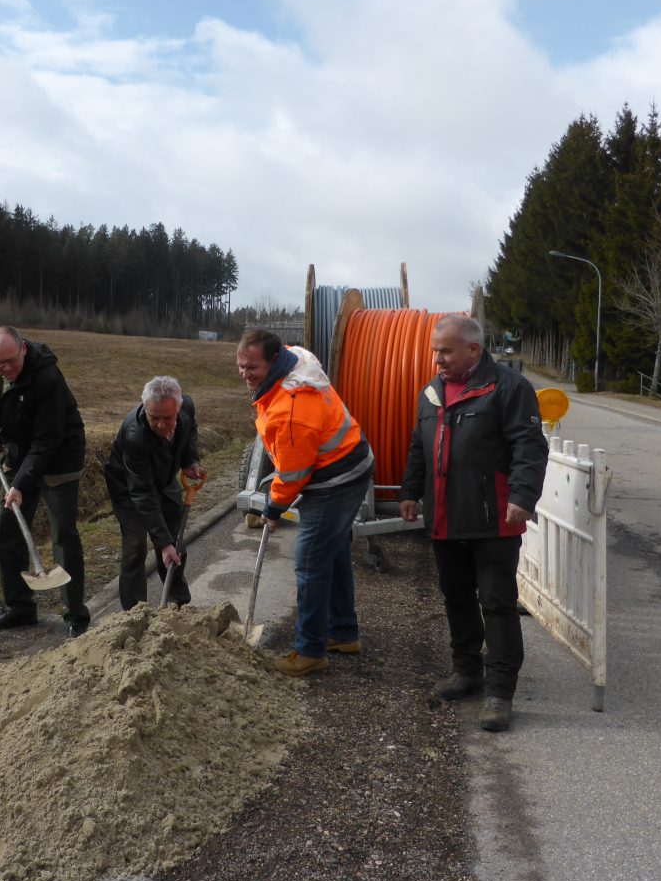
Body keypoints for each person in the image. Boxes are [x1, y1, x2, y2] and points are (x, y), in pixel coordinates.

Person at [398, 314, 549, 732]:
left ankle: (500, 691)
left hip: (494, 520)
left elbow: (530, 446)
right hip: (446, 517)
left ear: (473, 350)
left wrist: (522, 496)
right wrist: (410, 492)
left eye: (445, 351)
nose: (437, 360)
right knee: (456, 597)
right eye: (435, 350)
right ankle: (467, 672)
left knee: (497, 604)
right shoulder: (431, 392)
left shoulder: (509, 388)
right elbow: (419, 445)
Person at [236, 328, 373, 677]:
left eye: (252, 367)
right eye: (241, 366)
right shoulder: (294, 358)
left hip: (336, 479)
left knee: (310, 563)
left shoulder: (291, 409)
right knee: (335, 550)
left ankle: (310, 650)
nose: (245, 374)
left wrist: (272, 509)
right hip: (351, 462)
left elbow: (293, 474)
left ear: (274, 360)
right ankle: (343, 633)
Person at [0, 324, 91, 637]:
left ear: (24, 348)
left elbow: (47, 441)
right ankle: (20, 607)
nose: (5, 368)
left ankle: (75, 617)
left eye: (10, 361)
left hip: (59, 456)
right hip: (21, 454)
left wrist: (20, 484)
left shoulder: (48, 378)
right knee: (8, 532)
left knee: (63, 536)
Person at [103, 376, 204, 612]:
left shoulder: (186, 407)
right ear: (145, 409)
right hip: (129, 489)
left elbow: (190, 431)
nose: (160, 424)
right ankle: (135, 612)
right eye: (154, 418)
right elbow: (142, 493)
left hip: (164, 479)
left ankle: (177, 604)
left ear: (178, 409)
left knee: (176, 545)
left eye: (167, 418)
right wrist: (162, 542)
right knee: (136, 546)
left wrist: (190, 459)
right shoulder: (134, 434)